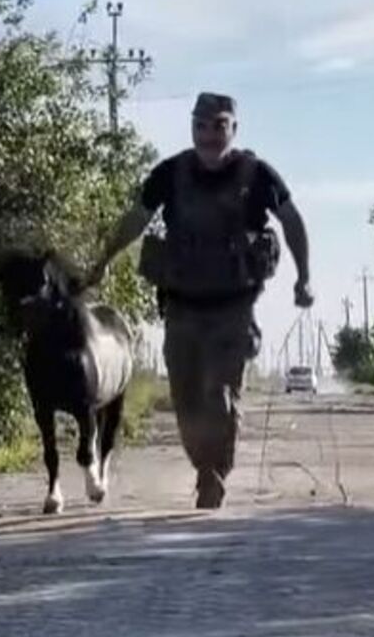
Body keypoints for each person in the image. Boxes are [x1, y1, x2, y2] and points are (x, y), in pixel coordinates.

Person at [87, 92, 313, 509]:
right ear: (192, 127)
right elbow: (136, 219)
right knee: (187, 400)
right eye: (201, 126)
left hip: (233, 308)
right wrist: (103, 260)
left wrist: (304, 278)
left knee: (219, 394)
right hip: (181, 307)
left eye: (219, 125)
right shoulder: (170, 174)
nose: (210, 135)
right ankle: (204, 466)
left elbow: (292, 220)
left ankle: (213, 474)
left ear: (234, 128)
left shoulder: (257, 175)